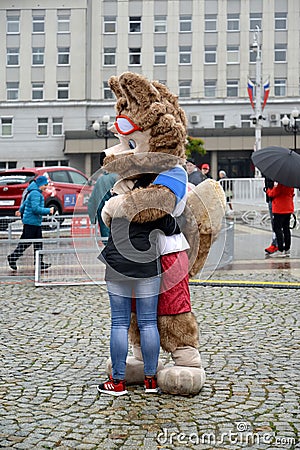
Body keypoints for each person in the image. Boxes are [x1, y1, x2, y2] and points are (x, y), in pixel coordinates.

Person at [7, 175, 54, 271]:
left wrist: (20, 210)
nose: (46, 187)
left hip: (34, 222)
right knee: (25, 243)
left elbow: (25, 203)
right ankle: (13, 257)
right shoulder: (36, 194)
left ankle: (39, 262)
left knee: (38, 243)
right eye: (45, 185)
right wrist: (48, 210)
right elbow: (35, 209)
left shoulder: (33, 192)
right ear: (40, 184)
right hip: (31, 222)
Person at [266, 182, 294, 258]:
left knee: (277, 229)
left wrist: (268, 190)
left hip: (279, 209)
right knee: (286, 229)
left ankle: (280, 249)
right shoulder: (291, 185)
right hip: (288, 208)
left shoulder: (280, 185)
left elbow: (272, 194)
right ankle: (287, 249)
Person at [88, 171, 118, 238]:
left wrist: (93, 218)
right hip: (116, 212)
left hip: (102, 211)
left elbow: (92, 200)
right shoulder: (118, 177)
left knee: (106, 237)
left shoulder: (100, 179)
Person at [263, 177, 278, 255]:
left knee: (277, 223)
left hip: (276, 199)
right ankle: (278, 243)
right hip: (271, 199)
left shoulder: (275, 173)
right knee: (276, 223)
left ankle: (276, 243)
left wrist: (269, 191)